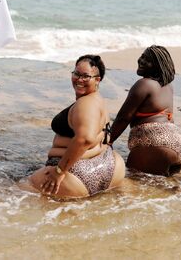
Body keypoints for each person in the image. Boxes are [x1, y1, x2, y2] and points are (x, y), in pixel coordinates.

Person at [29, 55, 125, 198]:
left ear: (97, 79)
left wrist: (59, 172)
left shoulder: (85, 104)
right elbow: (102, 135)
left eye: (86, 76)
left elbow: (84, 139)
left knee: (17, 189)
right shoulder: (98, 100)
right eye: (76, 74)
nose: (79, 79)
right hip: (109, 165)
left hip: (76, 174)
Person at [108, 45, 181, 176]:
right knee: (166, 188)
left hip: (157, 143)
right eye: (142, 56)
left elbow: (123, 118)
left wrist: (108, 141)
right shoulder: (168, 87)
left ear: (158, 65)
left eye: (147, 60)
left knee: (133, 182)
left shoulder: (144, 84)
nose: (141, 61)